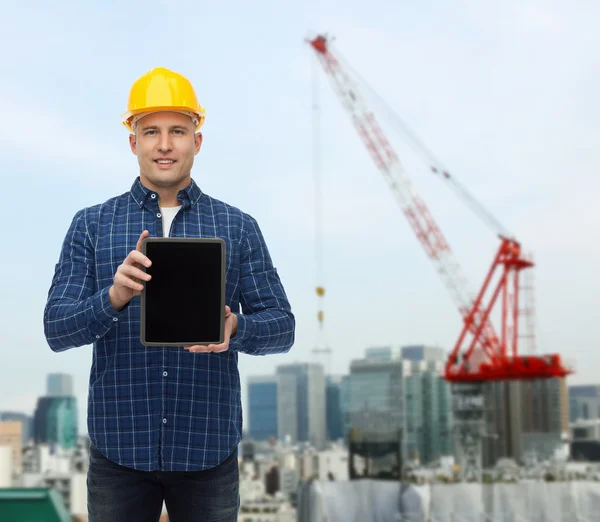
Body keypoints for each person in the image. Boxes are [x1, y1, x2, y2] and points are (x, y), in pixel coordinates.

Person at [43, 67, 295, 522]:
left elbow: (283, 327)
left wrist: (236, 328)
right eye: (151, 131)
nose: (164, 144)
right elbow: (56, 329)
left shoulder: (238, 227)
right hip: (118, 450)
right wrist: (114, 296)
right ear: (133, 141)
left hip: (207, 452)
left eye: (177, 131)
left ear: (196, 140)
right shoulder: (91, 225)